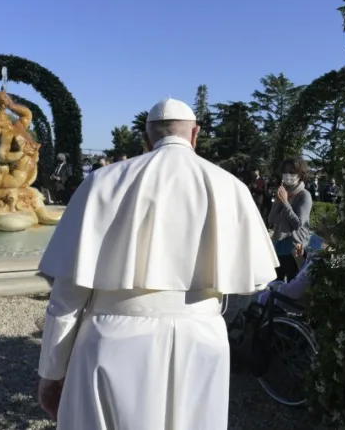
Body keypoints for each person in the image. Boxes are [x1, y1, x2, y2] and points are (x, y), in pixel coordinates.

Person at [36, 98, 279, 430]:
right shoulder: (232, 188)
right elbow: (249, 286)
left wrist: (51, 371)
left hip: (114, 337)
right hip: (203, 337)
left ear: (146, 139)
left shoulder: (102, 182)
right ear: (194, 135)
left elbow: (66, 297)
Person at [268, 158, 313, 281]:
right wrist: (278, 203)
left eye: (292, 172)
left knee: (293, 283)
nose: (288, 175)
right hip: (278, 245)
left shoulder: (304, 195)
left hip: (294, 248)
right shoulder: (283, 192)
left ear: (300, 174)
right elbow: (271, 219)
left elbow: (298, 223)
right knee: (276, 283)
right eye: (285, 171)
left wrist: (285, 202)